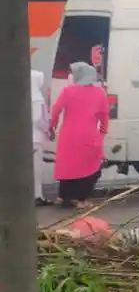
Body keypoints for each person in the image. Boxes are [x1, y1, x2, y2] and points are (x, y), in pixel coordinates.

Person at [49, 62, 108, 208]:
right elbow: (104, 116)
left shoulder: (68, 90)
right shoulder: (99, 92)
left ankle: (65, 196)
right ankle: (81, 199)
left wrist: (52, 126)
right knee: (88, 167)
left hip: (68, 134)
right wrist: (102, 133)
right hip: (89, 135)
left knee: (68, 165)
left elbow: (56, 109)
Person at [30, 69, 50, 205]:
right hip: (36, 138)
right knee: (36, 169)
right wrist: (47, 129)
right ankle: (37, 196)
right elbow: (38, 119)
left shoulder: (24, 96)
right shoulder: (37, 99)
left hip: (26, 137)